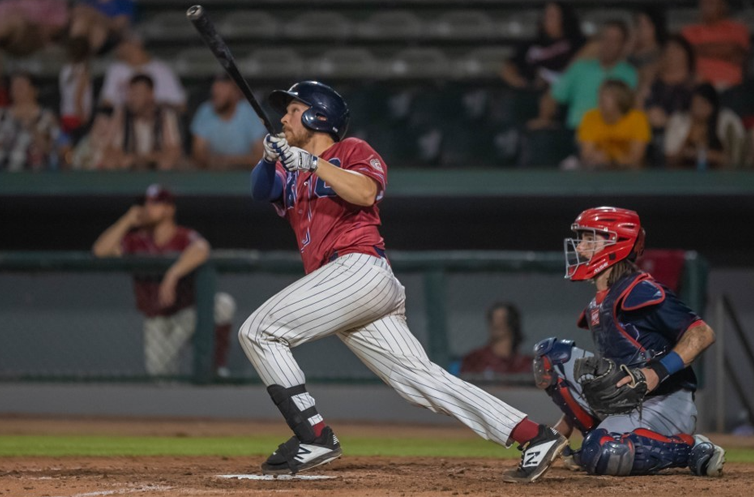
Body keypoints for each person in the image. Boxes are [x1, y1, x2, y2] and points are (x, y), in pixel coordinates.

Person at [241, 80, 567, 482]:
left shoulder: (352, 150)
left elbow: (364, 192)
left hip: (358, 271)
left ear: (317, 115)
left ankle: (314, 434)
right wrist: (267, 158)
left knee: (259, 331)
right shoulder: (289, 168)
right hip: (343, 287)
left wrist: (309, 162)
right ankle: (535, 436)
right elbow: (261, 191)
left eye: (293, 110)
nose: (284, 117)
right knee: (420, 381)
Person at [532, 206, 725, 478]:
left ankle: (692, 449)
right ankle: (595, 439)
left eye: (590, 239)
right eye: (582, 239)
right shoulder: (598, 303)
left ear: (617, 244)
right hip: (628, 403)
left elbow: (702, 334)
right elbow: (601, 379)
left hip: (666, 401)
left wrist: (657, 371)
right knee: (551, 356)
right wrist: (558, 432)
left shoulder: (638, 289)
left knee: (602, 453)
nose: (581, 248)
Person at [92, 184, 233, 377]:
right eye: (146, 203)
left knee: (223, 304)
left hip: (187, 313)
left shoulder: (182, 236)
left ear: (169, 209)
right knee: (159, 375)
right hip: (156, 320)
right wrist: (126, 221)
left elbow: (202, 249)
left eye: (155, 204)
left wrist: (173, 274)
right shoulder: (136, 241)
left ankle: (217, 368)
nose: (147, 208)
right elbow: (100, 251)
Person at [528, 21, 637, 133]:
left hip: (611, 136)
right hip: (575, 134)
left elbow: (633, 109)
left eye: (615, 40)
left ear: (623, 45)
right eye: (605, 38)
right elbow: (552, 97)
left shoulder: (630, 74)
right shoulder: (579, 68)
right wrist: (544, 119)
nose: (608, 44)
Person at [0, 71, 61, 171]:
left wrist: (35, 132)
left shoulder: (47, 117)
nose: (17, 88)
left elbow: (57, 150)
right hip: (1, 174)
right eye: (14, 85)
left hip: (36, 176)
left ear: (33, 90)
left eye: (21, 85)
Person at [101, 74, 183, 170]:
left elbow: (173, 150)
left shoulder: (165, 115)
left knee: (167, 162)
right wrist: (126, 158)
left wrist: (144, 158)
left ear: (150, 95)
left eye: (136, 94)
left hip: (156, 167)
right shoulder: (121, 114)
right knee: (110, 162)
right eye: (130, 94)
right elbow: (110, 148)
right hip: (127, 169)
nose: (131, 99)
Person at [500, 1, 585, 89]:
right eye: (546, 15)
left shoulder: (576, 43)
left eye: (553, 15)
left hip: (565, 91)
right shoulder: (530, 45)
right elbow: (509, 67)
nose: (547, 19)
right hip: (533, 93)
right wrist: (522, 84)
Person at [681, 0, 750, 91]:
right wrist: (721, 50)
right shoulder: (689, 31)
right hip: (697, 89)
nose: (706, 6)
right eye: (703, 2)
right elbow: (681, 56)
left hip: (729, 87)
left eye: (711, 2)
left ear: (723, 5)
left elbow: (733, 51)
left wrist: (694, 49)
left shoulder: (737, 28)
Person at [190, 75, 267, 170]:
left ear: (236, 93)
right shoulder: (205, 111)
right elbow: (198, 153)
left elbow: (260, 156)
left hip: (245, 174)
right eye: (215, 90)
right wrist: (214, 162)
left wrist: (229, 161)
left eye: (222, 89)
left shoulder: (251, 113)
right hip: (212, 174)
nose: (216, 93)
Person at [664, 83, 745, 169]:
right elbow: (670, 159)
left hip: (720, 177)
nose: (698, 108)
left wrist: (702, 155)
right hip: (684, 176)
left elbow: (735, 159)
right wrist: (685, 150)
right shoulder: (679, 121)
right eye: (695, 104)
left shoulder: (727, 121)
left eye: (703, 104)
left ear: (712, 106)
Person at [98, 32, 186, 111]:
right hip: (122, 123)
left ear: (136, 43)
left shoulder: (162, 70)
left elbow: (181, 106)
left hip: (156, 123)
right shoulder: (115, 69)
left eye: (122, 43)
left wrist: (149, 106)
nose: (118, 48)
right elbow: (106, 103)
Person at [575, 79, 651, 169]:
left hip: (630, 174)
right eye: (600, 94)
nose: (601, 99)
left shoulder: (638, 119)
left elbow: (636, 157)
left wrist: (612, 161)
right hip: (598, 172)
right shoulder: (590, 117)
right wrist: (597, 158)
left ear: (622, 98)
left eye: (608, 95)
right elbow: (586, 153)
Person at [69, 0, 136, 55]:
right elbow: (72, 17)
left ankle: (84, 57)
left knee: (98, 28)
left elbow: (118, 27)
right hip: (84, 36)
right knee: (81, 22)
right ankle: (77, 55)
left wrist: (95, 15)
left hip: (110, 40)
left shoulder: (124, 2)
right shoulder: (88, 0)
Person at [460, 302, 533, 376]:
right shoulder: (475, 359)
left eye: (503, 319)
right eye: (493, 319)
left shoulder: (524, 363)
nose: (497, 324)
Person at [58, 36, 94, 137]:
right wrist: (83, 120)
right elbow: (77, 98)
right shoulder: (83, 72)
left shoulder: (65, 70)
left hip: (65, 115)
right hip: (77, 117)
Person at [628, 8, 667, 94]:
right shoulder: (629, 53)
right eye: (638, 25)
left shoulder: (662, 54)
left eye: (645, 25)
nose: (641, 30)